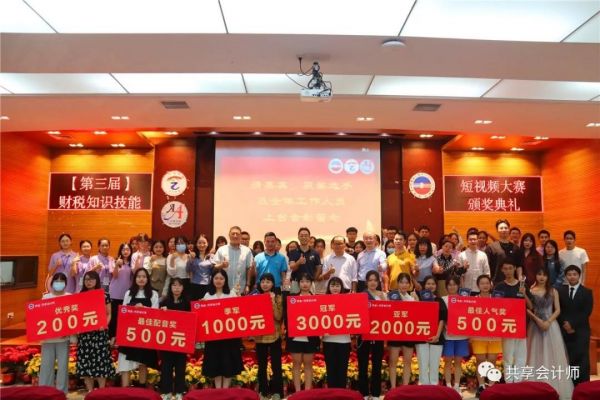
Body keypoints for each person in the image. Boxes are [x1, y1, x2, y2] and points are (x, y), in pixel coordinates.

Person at [526, 268, 574, 399]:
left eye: (544, 275)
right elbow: (528, 309)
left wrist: (548, 322)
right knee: (534, 353)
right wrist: (538, 321)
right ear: (536, 276)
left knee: (553, 354)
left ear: (548, 277)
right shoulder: (531, 290)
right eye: (539, 274)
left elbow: (557, 310)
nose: (541, 277)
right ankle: (535, 388)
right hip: (535, 326)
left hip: (551, 326)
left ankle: (554, 386)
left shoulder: (553, 291)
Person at [202, 269, 243, 388]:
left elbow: (239, 312)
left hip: (229, 336)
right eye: (216, 278)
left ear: (225, 280)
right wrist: (201, 305)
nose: (218, 281)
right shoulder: (207, 295)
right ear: (212, 280)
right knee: (215, 362)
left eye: (221, 278)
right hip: (213, 336)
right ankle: (218, 389)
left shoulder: (231, 294)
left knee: (227, 362)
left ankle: (225, 390)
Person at [117, 268, 159, 387]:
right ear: (135, 279)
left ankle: (141, 389)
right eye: (139, 276)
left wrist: (144, 309)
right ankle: (125, 390)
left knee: (143, 362)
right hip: (130, 332)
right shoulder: (128, 293)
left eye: (144, 277)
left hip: (144, 333)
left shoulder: (153, 294)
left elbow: (156, 314)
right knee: (125, 362)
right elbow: (123, 312)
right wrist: (133, 308)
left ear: (147, 279)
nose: (141, 279)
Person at [495, 259, 532, 383]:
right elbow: (495, 307)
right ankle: (509, 383)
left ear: (515, 268)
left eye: (510, 268)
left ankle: (518, 382)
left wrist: (524, 294)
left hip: (521, 326)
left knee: (521, 357)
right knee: (508, 357)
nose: (508, 271)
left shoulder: (522, 285)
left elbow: (531, 306)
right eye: (505, 269)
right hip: (506, 326)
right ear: (502, 270)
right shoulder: (499, 287)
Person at [76, 271, 115, 392]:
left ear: (97, 280)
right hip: (85, 335)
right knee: (86, 363)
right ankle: (90, 391)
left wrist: (104, 324)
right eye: (86, 279)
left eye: (92, 279)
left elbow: (109, 314)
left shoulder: (104, 295)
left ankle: (101, 392)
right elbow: (76, 314)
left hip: (100, 334)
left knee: (101, 362)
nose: (89, 282)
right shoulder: (80, 296)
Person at [558, 265, 593, 386]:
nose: (572, 277)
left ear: (579, 276)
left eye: (574, 274)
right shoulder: (560, 291)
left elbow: (586, 312)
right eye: (569, 274)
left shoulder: (587, 292)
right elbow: (558, 310)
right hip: (564, 330)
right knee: (567, 359)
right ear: (566, 276)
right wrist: (565, 324)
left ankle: (583, 387)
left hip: (581, 331)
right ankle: (569, 386)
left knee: (582, 360)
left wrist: (572, 324)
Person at [285, 273, 320, 393]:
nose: (305, 284)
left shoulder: (316, 299)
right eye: (302, 281)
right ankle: (298, 392)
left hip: (311, 338)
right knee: (296, 364)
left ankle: (307, 392)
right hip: (295, 337)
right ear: (299, 283)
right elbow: (287, 317)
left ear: (311, 283)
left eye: (307, 281)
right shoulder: (292, 298)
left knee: (308, 365)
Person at [39, 273, 71, 393]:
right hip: (48, 339)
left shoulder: (69, 297)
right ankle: (45, 391)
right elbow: (40, 317)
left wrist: (68, 331)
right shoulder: (46, 297)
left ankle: (62, 392)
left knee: (63, 366)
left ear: (65, 283)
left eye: (61, 281)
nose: (59, 283)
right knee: (46, 365)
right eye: (56, 281)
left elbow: (72, 317)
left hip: (63, 338)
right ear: (52, 283)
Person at [159, 278, 191, 400]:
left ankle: (179, 391)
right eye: (174, 285)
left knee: (180, 367)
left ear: (183, 288)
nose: (176, 288)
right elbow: (158, 320)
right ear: (170, 287)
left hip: (181, 340)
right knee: (166, 367)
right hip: (167, 341)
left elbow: (192, 320)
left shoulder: (187, 303)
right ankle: (166, 391)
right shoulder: (164, 302)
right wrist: (162, 312)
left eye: (179, 286)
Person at [471, 275, 501, 398]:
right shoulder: (473, 300)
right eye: (482, 283)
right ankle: (482, 386)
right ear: (478, 286)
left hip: (495, 336)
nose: (485, 285)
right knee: (481, 361)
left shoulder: (497, 299)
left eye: (487, 283)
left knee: (493, 360)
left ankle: (492, 385)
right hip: (478, 336)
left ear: (490, 285)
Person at [254, 273, 284, 400]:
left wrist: (271, 301)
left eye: (268, 281)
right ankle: (263, 391)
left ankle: (278, 392)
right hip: (260, 337)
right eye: (263, 282)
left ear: (273, 284)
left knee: (276, 365)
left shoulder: (278, 297)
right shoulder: (255, 298)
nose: (265, 284)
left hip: (275, 336)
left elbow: (278, 317)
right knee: (262, 366)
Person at [358, 271, 386, 400]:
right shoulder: (362, 295)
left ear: (378, 282)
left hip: (378, 334)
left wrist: (384, 298)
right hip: (364, 335)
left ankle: (375, 394)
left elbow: (387, 312)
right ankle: (363, 393)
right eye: (370, 280)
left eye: (375, 280)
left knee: (377, 365)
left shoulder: (382, 295)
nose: (373, 282)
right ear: (366, 282)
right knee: (363, 365)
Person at [387, 273, 418, 388]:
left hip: (408, 334)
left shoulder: (412, 299)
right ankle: (393, 387)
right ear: (397, 283)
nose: (404, 285)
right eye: (401, 282)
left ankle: (405, 387)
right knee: (393, 361)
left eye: (406, 283)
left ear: (410, 285)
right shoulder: (391, 296)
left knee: (407, 362)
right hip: (395, 333)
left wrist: (417, 301)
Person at [415, 276, 447, 386]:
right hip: (421, 336)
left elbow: (442, 319)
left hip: (437, 338)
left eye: (433, 284)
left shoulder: (439, 300)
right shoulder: (419, 300)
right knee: (422, 364)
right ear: (424, 285)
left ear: (436, 286)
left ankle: (434, 386)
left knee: (434, 365)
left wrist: (437, 335)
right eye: (428, 283)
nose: (430, 286)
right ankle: (423, 386)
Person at [322, 277, 352, 389]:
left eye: (338, 285)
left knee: (342, 369)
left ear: (342, 287)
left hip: (344, 340)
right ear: (329, 287)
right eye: (333, 285)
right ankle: (332, 393)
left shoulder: (348, 301)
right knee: (331, 369)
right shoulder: (323, 301)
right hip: (328, 340)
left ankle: (341, 393)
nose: (335, 288)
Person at [442, 277, 469, 394]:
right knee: (447, 362)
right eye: (449, 285)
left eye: (454, 284)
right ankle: (448, 385)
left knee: (458, 362)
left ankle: (457, 385)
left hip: (462, 337)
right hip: (448, 336)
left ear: (458, 286)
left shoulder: (464, 299)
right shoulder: (443, 300)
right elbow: (441, 318)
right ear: (446, 287)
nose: (452, 287)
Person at [213, 226, 254, 295]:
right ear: (229, 235)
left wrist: (247, 285)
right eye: (233, 234)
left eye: (237, 234)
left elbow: (249, 268)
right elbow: (214, 267)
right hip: (223, 288)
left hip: (240, 288)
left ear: (240, 236)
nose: (235, 236)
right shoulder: (221, 250)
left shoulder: (247, 251)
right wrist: (221, 265)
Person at [108, 243, 133, 339]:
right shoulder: (114, 260)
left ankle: (121, 337)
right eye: (123, 249)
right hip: (115, 293)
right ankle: (112, 337)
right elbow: (114, 275)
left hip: (127, 295)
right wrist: (117, 265)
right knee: (114, 317)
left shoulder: (132, 263)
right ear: (120, 251)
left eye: (128, 249)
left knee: (124, 318)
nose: (125, 251)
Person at [288, 227, 321, 294]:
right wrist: (298, 262)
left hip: (310, 283)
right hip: (296, 283)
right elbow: (292, 267)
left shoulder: (315, 253)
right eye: (301, 236)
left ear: (309, 237)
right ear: (298, 237)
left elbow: (319, 268)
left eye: (306, 236)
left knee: (311, 300)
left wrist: (313, 279)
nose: (304, 237)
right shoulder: (293, 252)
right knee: (295, 300)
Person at [187, 234, 213, 301]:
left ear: (207, 244)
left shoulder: (211, 256)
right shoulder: (193, 255)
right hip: (195, 285)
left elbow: (212, 272)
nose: (202, 245)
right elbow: (188, 269)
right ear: (196, 244)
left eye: (204, 243)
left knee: (206, 305)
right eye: (199, 243)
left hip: (207, 285)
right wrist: (191, 260)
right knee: (195, 305)